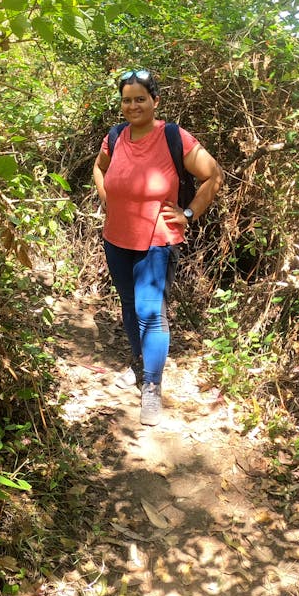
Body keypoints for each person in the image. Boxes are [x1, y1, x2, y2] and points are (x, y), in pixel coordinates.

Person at [92, 68, 223, 426]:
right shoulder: (115, 136)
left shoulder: (171, 136)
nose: (132, 105)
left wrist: (189, 212)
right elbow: (98, 169)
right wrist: (108, 200)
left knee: (151, 312)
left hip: (157, 240)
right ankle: (138, 365)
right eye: (126, 99)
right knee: (130, 307)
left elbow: (213, 174)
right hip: (116, 238)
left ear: (155, 101)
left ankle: (152, 387)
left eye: (140, 99)